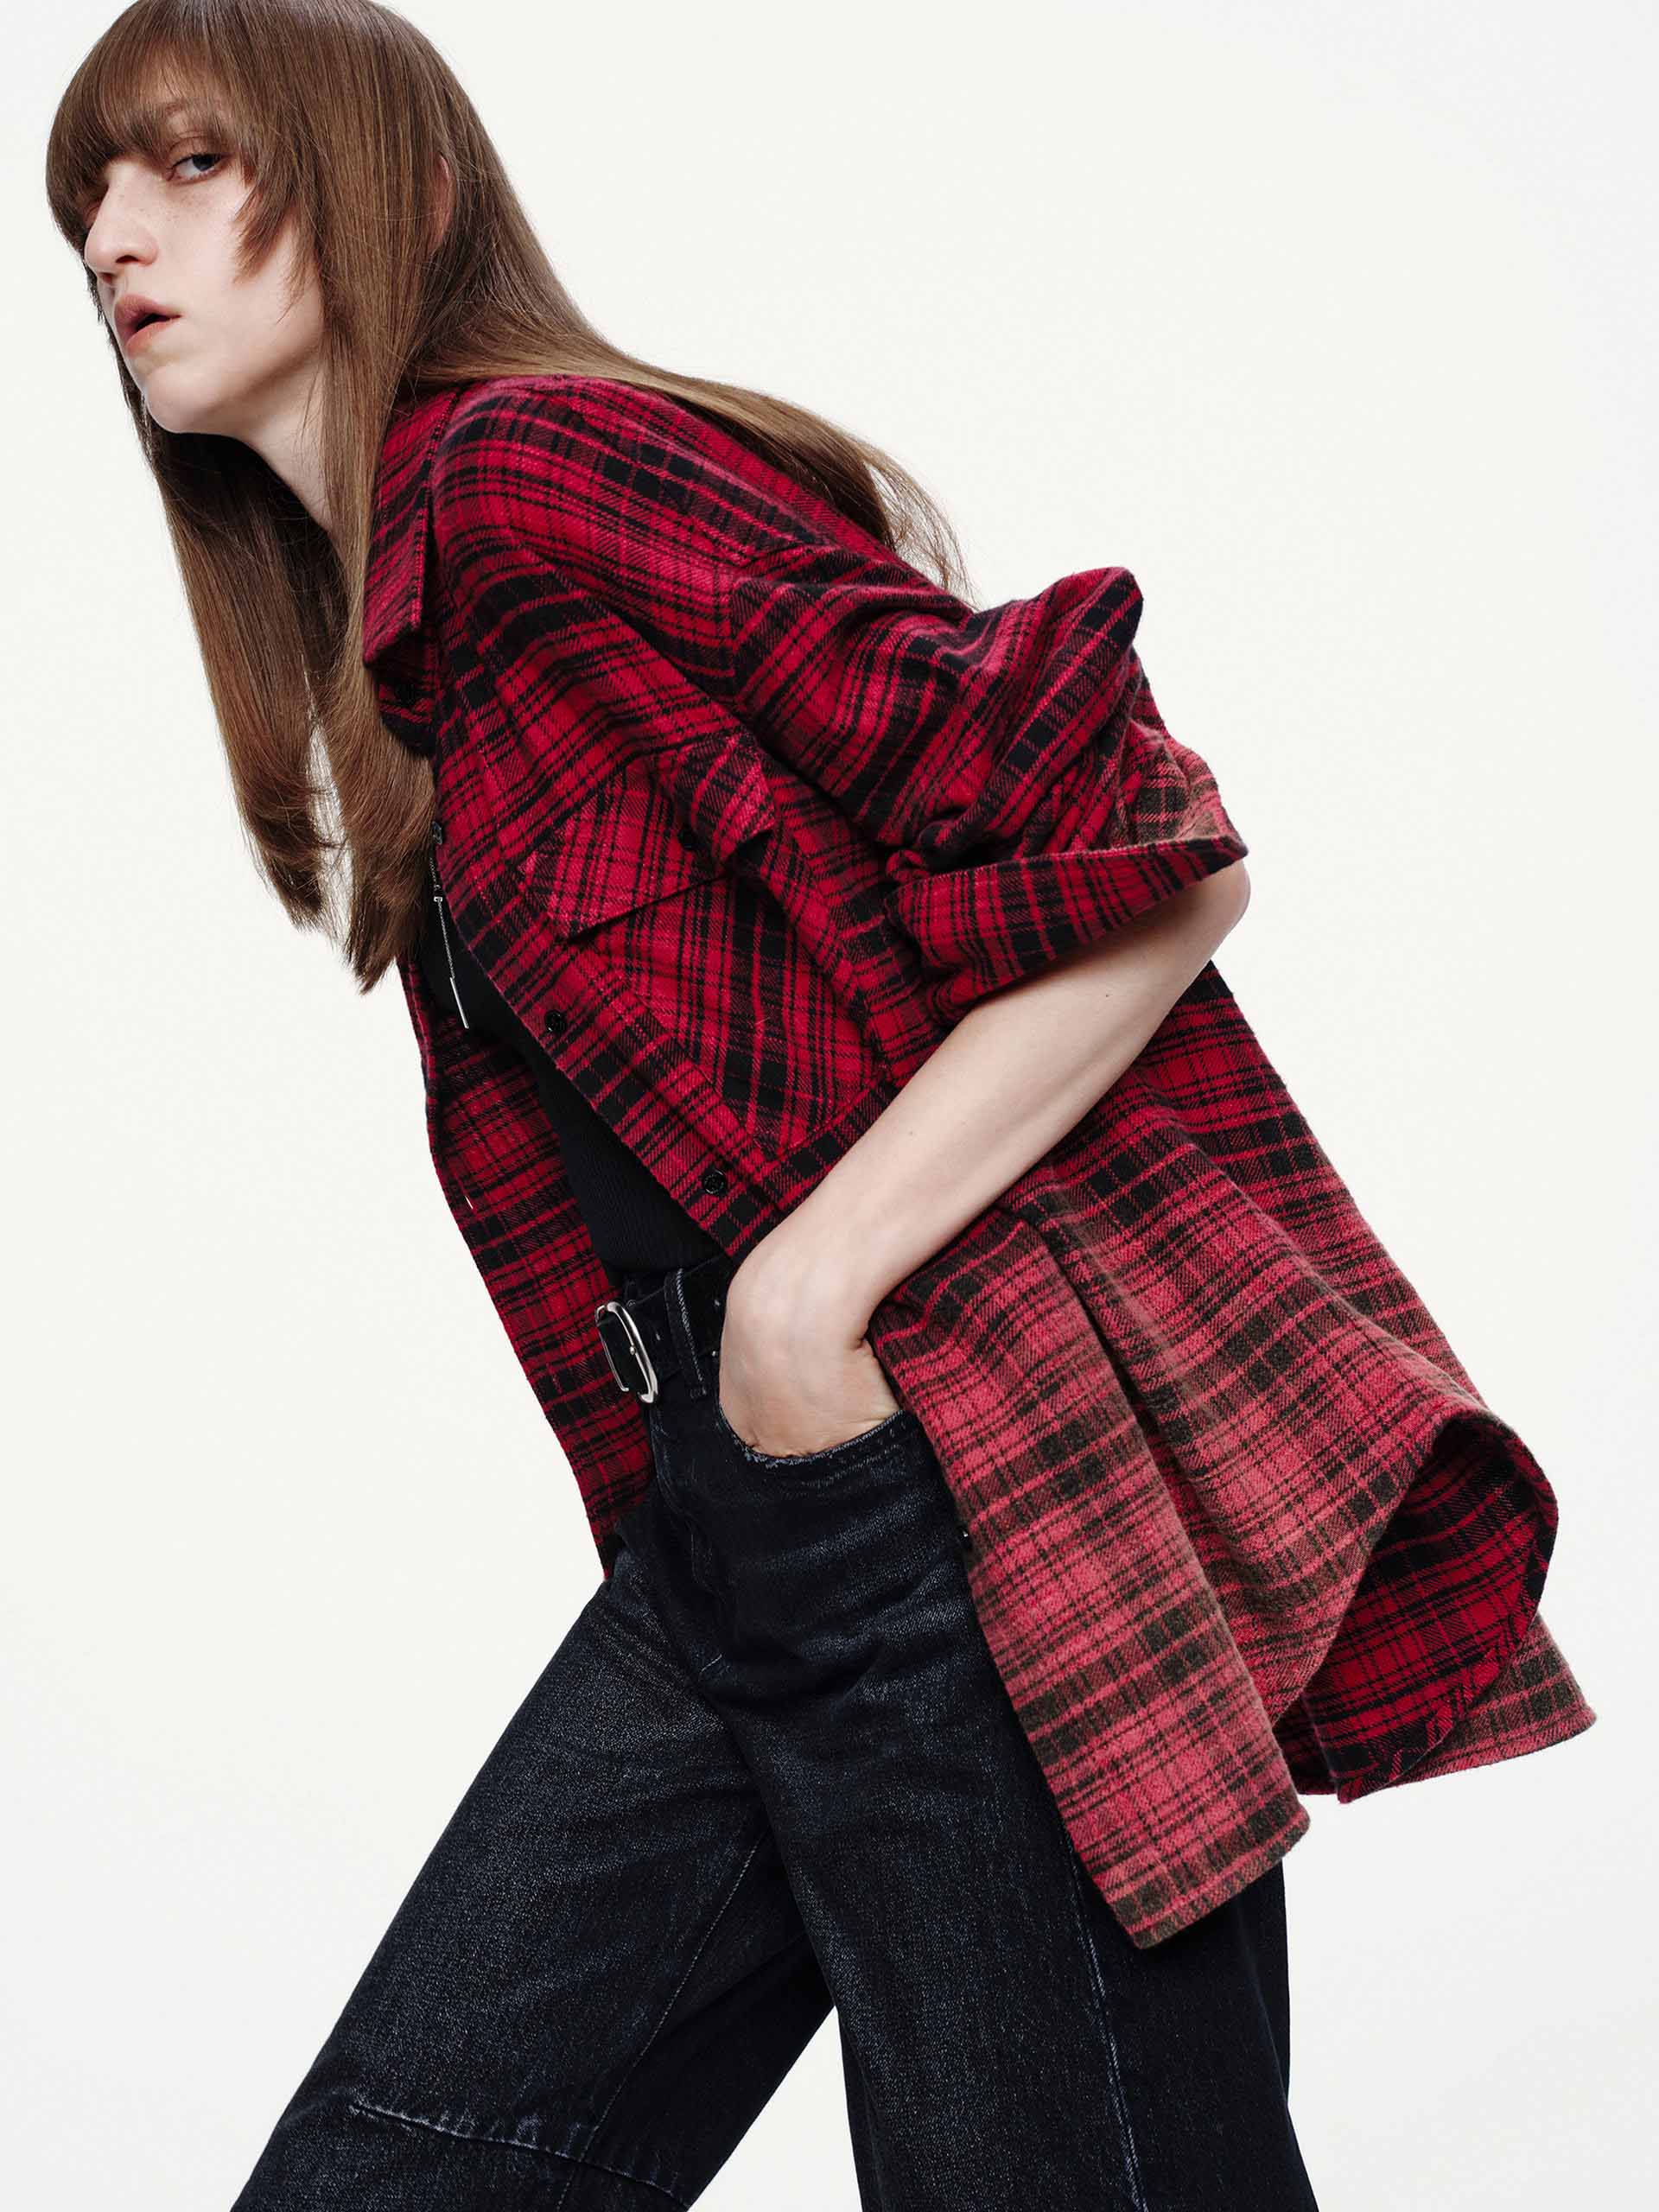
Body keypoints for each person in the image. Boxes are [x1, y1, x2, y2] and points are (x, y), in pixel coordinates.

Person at [49, 4, 1595, 2206]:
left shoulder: (529, 471)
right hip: (736, 1522)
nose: (113, 237)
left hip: (947, 1476)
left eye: (190, 165)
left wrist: (808, 1293)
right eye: (87, 198)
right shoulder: (409, 652)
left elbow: (1153, 837)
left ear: (396, 184)